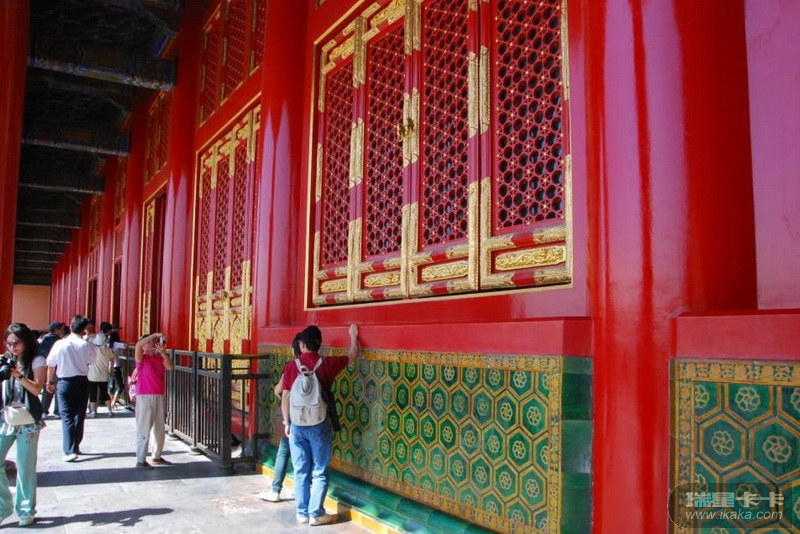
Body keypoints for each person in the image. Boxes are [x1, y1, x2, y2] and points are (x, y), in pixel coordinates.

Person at [280, 324, 360, 525]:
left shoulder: (291, 366)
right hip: (319, 424)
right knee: (319, 469)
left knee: (300, 470)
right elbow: (353, 355)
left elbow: (285, 396)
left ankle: (302, 513)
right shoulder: (327, 364)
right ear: (319, 344)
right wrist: (353, 335)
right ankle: (316, 514)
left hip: (297, 425)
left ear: (302, 345)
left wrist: (286, 422)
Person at [1, 323, 47, 527]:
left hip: (27, 418)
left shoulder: (37, 361)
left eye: (16, 342)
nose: (12, 347)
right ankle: (3, 507)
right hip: (7, 417)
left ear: (26, 341)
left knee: (25, 466)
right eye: (8, 343)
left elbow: (37, 389)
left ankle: (26, 510)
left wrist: (17, 374)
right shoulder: (6, 360)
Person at [45, 315, 95, 462]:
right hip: (82, 381)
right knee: (79, 414)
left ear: (71, 326)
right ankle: (75, 445)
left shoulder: (60, 344)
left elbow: (51, 364)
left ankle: (70, 450)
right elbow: (92, 361)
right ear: (84, 329)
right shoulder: (86, 345)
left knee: (66, 415)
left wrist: (49, 381)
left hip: (65, 381)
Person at [258, 335, 300, 503]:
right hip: (312, 418)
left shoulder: (291, 366)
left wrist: (286, 420)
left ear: (293, 350)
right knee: (303, 454)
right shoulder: (317, 365)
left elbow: (279, 390)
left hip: (292, 416)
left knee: (284, 451)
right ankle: (299, 489)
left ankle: (275, 490)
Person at [133, 333, 174, 469]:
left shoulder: (159, 358)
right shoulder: (141, 358)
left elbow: (170, 367)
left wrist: (163, 354)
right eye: (149, 342)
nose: (152, 344)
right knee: (144, 427)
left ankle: (156, 455)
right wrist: (154, 335)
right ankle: (140, 458)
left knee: (159, 427)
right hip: (144, 395)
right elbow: (138, 345)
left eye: (153, 342)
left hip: (159, 394)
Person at [87, 322, 114, 418]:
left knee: (93, 393)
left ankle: (93, 411)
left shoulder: (92, 349)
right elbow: (112, 360)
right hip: (103, 374)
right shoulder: (108, 350)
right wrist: (111, 370)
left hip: (92, 375)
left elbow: (86, 341)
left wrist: (91, 335)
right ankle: (110, 410)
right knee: (104, 393)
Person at [37, 321, 64, 419]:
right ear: (56, 330)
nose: (62, 331)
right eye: (61, 329)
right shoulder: (59, 341)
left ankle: (44, 411)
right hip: (57, 367)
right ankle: (57, 411)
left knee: (47, 389)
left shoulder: (44, 339)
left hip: (45, 366)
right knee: (57, 389)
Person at [106, 328, 124, 409]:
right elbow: (125, 346)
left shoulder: (107, 345)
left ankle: (112, 401)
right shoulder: (116, 344)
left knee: (111, 386)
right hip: (116, 367)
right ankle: (113, 402)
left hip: (109, 367)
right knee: (120, 386)